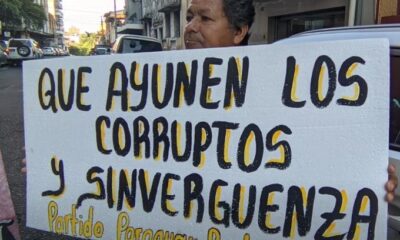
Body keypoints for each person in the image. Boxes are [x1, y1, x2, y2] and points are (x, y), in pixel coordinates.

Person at [183, 0, 398, 202]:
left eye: (205, 18)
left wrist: (369, 182)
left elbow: (319, 155)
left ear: (239, 31)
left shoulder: (279, 89)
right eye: (189, 18)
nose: (190, 27)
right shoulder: (163, 95)